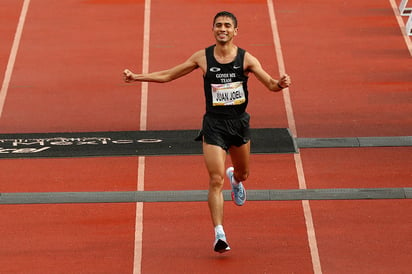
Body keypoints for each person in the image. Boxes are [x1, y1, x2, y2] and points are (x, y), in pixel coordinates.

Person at [123, 11, 291, 253]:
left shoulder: (246, 59)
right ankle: (219, 234)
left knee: (244, 173)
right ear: (213, 30)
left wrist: (280, 84)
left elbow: (271, 84)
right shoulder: (202, 57)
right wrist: (137, 77)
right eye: (218, 25)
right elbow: (169, 74)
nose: (222, 29)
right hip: (213, 126)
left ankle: (236, 179)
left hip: (239, 124)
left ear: (235, 31)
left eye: (227, 25)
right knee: (215, 179)